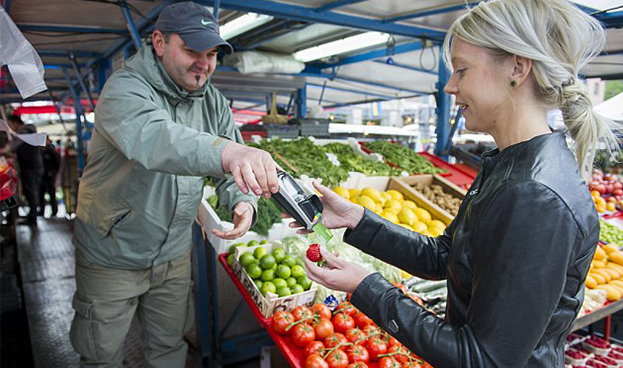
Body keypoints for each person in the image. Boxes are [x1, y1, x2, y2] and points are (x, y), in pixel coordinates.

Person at [299, 0, 618, 367]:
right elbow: (445, 256)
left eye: (462, 70)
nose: (450, 86)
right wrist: (357, 219)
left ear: (517, 68)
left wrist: (367, 287)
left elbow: (484, 359)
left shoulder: (535, 195)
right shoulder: (509, 167)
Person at [69, 3, 279, 367]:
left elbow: (231, 164)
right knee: (101, 353)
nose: (204, 63)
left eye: (212, 54)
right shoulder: (125, 88)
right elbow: (156, 139)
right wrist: (228, 152)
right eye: (193, 51)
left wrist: (243, 200)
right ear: (159, 41)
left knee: (169, 348)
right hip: (113, 252)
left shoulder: (212, 100)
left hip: (174, 253)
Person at [7, 115, 44, 226]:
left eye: (10, 124)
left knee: (31, 192)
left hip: (31, 168)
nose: (10, 127)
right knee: (30, 192)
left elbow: (12, 146)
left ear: (15, 123)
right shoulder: (29, 131)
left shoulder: (25, 132)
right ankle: (31, 216)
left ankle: (32, 218)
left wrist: (4, 150)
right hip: (32, 167)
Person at [39, 137, 60, 217]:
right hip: (42, 175)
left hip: (49, 175)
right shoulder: (39, 150)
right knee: (41, 194)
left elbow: (57, 162)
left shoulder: (51, 150)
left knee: (51, 193)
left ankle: (54, 211)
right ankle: (42, 211)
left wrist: (52, 172)